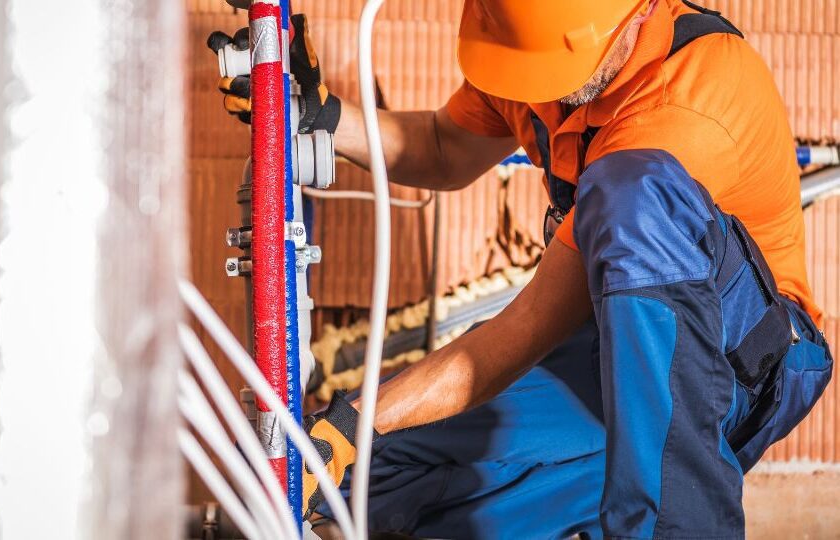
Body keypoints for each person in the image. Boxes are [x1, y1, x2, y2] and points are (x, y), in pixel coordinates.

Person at [209, 1, 834, 538]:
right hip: (610, 351)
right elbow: (443, 147)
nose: (552, 93)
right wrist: (328, 117)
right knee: (375, 473)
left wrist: (350, 418)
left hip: (745, 360)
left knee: (632, 193)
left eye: (563, 71)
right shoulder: (533, 49)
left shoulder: (690, 101)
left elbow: (526, 327)